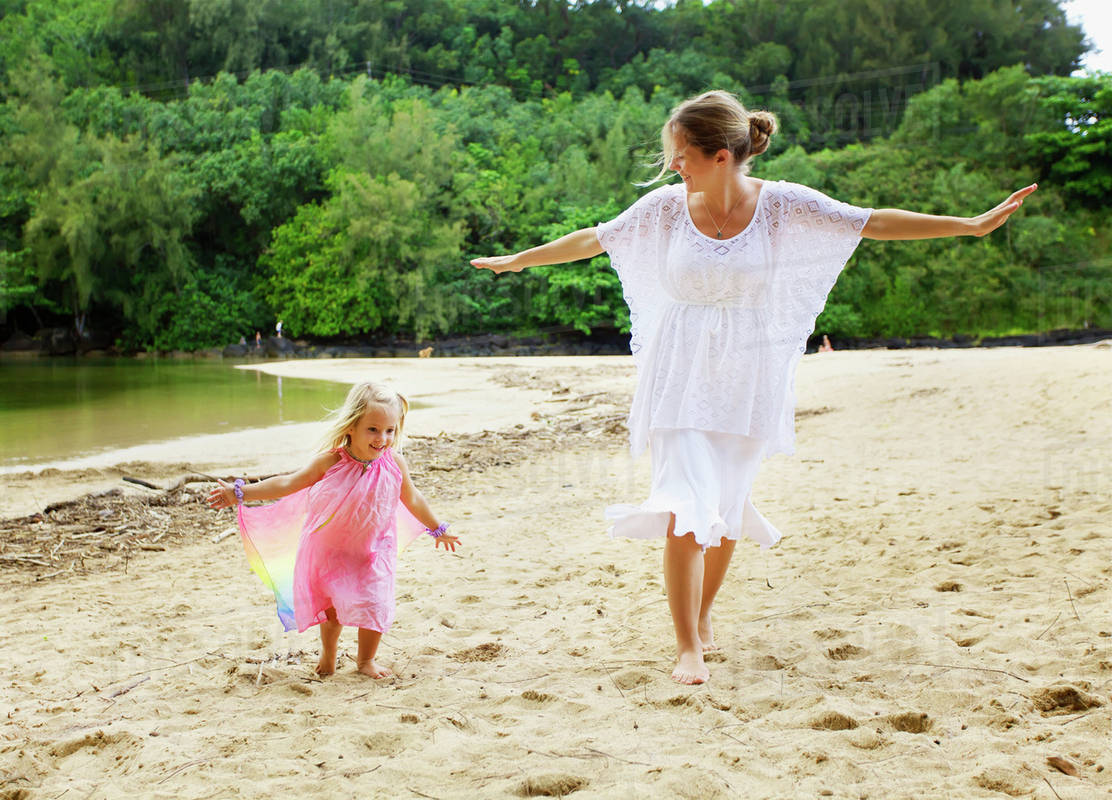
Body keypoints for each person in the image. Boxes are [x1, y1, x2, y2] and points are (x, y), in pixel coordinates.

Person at [471, 89, 1034, 685]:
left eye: (681, 154)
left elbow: (869, 222)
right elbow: (594, 238)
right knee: (685, 503)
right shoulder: (666, 207)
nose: (672, 166)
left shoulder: (782, 205)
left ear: (720, 156)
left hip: (747, 374)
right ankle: (686, 644)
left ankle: (705, 613)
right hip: (679, 370)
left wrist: (969, 226)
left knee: (727, 505)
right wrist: (519, 261)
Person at [207, 382, 460, 679]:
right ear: (352, 426)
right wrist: (241, 493)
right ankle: (329, 653)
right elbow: (288, 483)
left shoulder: (394, 464)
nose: (383, 439)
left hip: (374, 550)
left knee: (375, 604)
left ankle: (365, 661)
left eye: (390, 430)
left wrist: (437, 527)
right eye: (373, 430)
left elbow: (413, 498)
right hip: (331, 551)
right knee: (332, 612)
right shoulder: (331, 462)